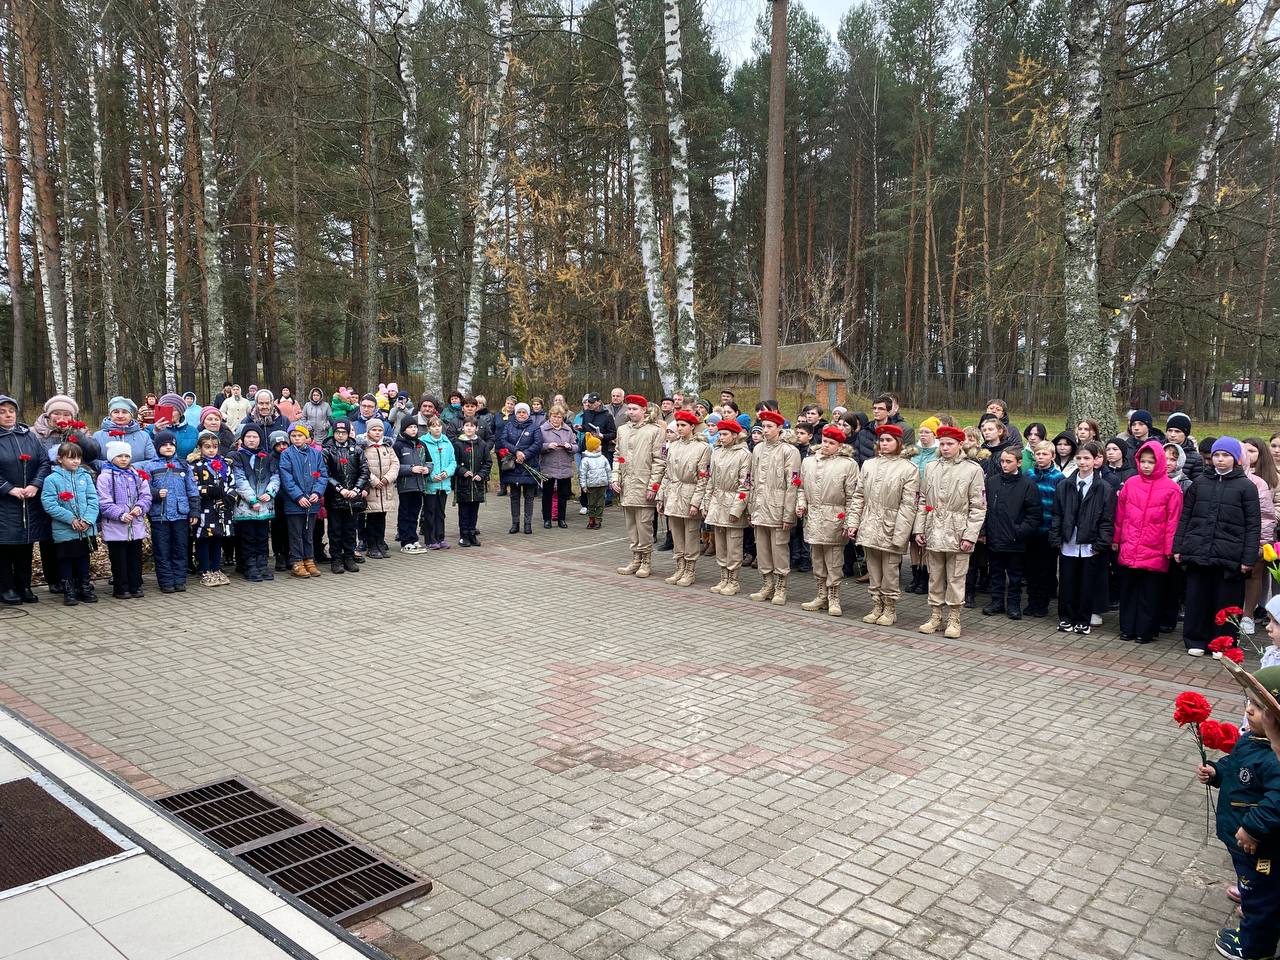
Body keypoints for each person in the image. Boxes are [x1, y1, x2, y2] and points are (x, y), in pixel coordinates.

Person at [1196, 666, 1280, 960]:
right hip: (1243, 840)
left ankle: (1255, 949)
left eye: (1258, 706)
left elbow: (1278, 800)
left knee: (1261, 898)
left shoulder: (1274, 758)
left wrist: (1253, 828)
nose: (1249, 709)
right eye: (1250, 702)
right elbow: (1236, 769)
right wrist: (1217, 772)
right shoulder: (1252, 741)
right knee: (1258, 891)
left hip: (1259, 844)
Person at [1174, 437, 1262, 656]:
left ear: (1236, 459)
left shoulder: (1246, 487)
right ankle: (1196, 638)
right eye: (1216, 455)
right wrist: (1179, 546)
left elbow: (1253, 526)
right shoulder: (1200, 483)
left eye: (1226, 456)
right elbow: (1185, 517)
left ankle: (1223, 642)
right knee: (1197, 598)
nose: (1220, 460)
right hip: (1198, 552)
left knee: (1225, 601)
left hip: (1229, 556)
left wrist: (1248, 558)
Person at [914, 425, 986, 638]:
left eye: (950, 444)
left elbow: (979, 506)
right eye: (942, 444)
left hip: (958, 529)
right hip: (934, 528)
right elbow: (923, 500)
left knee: (956, 576)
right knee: (934, 575)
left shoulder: (972, 470)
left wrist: (970, 535)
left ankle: (954, 617)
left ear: (959, 445)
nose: (945, 448)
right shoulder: (931, 467)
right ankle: (936, 615)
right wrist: (920, 528)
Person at [1112, 440, 1183, 644]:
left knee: (1149, 594)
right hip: (1130, 546)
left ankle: (1145, 630)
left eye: (1151, 462)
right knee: (1128, 591)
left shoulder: (1171, 489)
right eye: (1143, 461)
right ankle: (1127, 628)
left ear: (1159, 462)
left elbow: (1173, 522)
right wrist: (1117, 539)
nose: (1146, 465)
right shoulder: (1131, 483)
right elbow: (1121, 515)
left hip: (1155, 550)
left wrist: (1169, 549)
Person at [842, 423, 913, 622]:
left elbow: (908, 506)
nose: (884, 444)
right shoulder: (869, 465)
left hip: (892, 526)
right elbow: (859, 497)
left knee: (890, 570)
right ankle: (876, 604)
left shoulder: (908, 469)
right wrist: (853, 522)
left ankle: (890, 608)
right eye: (881, 440)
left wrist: (900, 534)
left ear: (898, 443)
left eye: (889, 440)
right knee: (873, 568)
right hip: (870, 524)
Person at [1049, 441, 1116, 635]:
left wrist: (1100, 543)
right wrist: (1056, 538)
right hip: (1069, 542)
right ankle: (1066, 617)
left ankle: (1083, 619)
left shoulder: (1103, 488)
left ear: (1096, 460)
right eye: (1079, 458)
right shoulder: (1065, 485)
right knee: (1068, 582)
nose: (1082, 462)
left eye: (1087, 458)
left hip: (1090, 544)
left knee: (1087, 584)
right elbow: (1057, 514)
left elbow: (1107, 519)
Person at [0, 394, 50, 604]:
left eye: (11, 410)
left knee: (25, 545)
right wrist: (8, 488)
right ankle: (6, 588)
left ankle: (24, 585)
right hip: (5, 502)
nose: (8, 415)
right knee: (5, 546)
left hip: (29, 501)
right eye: (2, 412)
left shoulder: (28, 435)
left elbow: (44, 462)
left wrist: (35, 484)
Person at [981, 446, 1041, 620]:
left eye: (1009, 462)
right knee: (996, 572)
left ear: (1019, 462)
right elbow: (984, 508)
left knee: (1015, 576)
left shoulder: (1027, 485)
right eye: (1002, 461)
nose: (1004, 465)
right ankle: (997, 601)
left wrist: (1019, 531)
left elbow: (1034, 514)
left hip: (1015, 540)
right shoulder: (992, 482)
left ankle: (1014, 604)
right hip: (995, 537)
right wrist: (985, 531)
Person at [748, 410, 801, 605]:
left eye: (770, 427)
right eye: (764, 426)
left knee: (779, 549)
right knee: (762, 549)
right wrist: (751, 508)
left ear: (779, 428)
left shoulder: (789, 451)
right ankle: (767, 584)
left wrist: (789, 514)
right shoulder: (758, 449)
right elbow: (752, 480)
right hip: (760, 507)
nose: (765, 430)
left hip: (778, 508)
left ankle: (781, 587)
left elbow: (793, 484)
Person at [613, 394, 666, 579]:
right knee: (631, 525)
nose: (631, 412)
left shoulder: (654, 430)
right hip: (627, 484)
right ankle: (635, 558)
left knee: (644, 526)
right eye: (629, 409)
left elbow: (659, 461)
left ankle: (646, 560)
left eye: (635, 409)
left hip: (644, 484)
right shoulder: (622, 430)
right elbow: (618, 455)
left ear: (644, 410)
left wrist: (654, 485)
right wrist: (615, 477)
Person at [41, 441, 100, 605]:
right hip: (65, 529)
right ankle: (69, 589)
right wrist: (71, 519)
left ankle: (84, 587)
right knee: (66, 559)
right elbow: (49, 504)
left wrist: (88, 519)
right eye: (71, 458)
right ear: (60, 459)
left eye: (78, 458)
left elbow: (93, 500)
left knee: (83, 558)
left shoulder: (85, 476)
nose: (75, 461)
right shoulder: (51, 479)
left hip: (85, 529)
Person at [658, 410, 711, 587]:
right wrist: (661, 495)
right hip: (673, 492)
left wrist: (696, 502)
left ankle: (690, 569)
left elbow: (704, 478)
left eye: (683, 425)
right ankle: (679, 566)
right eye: (678, 425)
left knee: (690, 534)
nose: (679, 429)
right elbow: (667, 473)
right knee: (676, 532)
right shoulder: (673, 445)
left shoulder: (702, 448)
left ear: (692, 427)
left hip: (690, 492)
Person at [142, 429, 197, 593]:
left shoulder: (183, 466)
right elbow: (144, 489)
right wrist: (156, 494)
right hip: (160, 516)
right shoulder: (150, 466)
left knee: (180, 548)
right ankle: (166, 582)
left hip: (180, 514)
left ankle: (179, 580)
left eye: (171, 445)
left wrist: (194, 511)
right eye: (164, 445)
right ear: (157, 446)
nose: (168, 448)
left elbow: (192, 490)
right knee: (162, 549)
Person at [702, 419, 752, 595]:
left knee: (734, 544)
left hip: (732, 502)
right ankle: (723, 577)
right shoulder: (716, 453)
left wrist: (737, 509)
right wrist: (706, 502)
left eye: (725, 434)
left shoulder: (744, 454)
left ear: (735, 435)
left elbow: (745, 484)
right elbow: (711, 480)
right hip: (717, 502)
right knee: (721, 543)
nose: (721, 438)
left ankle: (733, 580)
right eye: (720, 434)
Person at [97, 441, 152, 599]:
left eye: (127, 456)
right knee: (119, 559)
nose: (123, 459)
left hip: (135, 526)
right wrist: (120, 514)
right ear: (111, 457)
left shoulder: (137, 475)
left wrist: (140, 507)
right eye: (119, 456)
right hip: (116, 526)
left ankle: (135, 585)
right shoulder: (105, 477)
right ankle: (121, 587)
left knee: (135, 557)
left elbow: (146, 496)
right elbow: (104, 501)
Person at [229, 424, 278, 583]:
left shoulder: (267, 457)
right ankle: (249, 565)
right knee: (248, 537)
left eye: (255, 437)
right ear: (242, 439)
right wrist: (252, 499)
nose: (251, 440)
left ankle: (262, 564)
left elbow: (275, 477)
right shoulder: (237, 456)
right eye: (248, 436)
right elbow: (239, 479)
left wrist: (269, 493)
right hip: (246, 506)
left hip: (264, 505)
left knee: (262, 537)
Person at [279, 423, 328, 577]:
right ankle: (297, 561)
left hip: (312, 502)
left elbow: (322, 475)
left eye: (300, 435)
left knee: (308, 533)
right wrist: (298, 496)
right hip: (295, 503)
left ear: (306, 437)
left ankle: (309, 559)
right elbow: (286, 478)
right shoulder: (286, 454)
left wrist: (317, 492)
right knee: (296, 534)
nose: (297, 438)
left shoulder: (316, 454)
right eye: (293, 436)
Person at [1242, 437, 1280, 634]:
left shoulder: (1271, 477)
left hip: (1264, 532)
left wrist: (1270, 517)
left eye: (1252, 451)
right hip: (1238, 531)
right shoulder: (1239, 474)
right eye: (1244, 451)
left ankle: (1250, 613)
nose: (1247, 455)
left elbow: (1276, 505)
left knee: (1256, 572)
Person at [322, 419, 368, 572]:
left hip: (353, 498)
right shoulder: (327, 450)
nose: (340, 435)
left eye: (343, 433)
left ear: (348, 433)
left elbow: (364, 471)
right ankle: (336, 559)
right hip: (335, 497)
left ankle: (349, 556)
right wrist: (339, 488)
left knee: (350, 529)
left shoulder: (357, 450)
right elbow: (325, 474)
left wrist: (356, 489)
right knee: (335, 530)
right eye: (337, 432)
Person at [1025, 440, 1064, 618]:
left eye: (1044, 454)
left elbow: (1059, 506)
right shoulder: (1029, 474)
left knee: (1046, 569)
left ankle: (1042, 604)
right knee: (1031, 568)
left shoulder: (1058, 478)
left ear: (1052, 456)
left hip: (1048, 530)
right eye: (1038, 454)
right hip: (1031, 529)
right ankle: (1032, 601)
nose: (1040, 457)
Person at [190, 431, 235, 586]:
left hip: (221, 508)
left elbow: (231, 483)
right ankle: (204, 570)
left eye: (214, 447)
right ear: (200, 448)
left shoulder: (225, 464)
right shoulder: (195, 465)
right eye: (207, 447)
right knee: (204, 539)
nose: (211, 450)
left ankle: (216, 568)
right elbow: (192, 487)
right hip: (204, 507)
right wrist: (209, 490)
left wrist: (229, 497)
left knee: (218, 538)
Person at [500, 402, 542, 535]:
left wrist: (525, 454)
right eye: (519, 412)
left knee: (529, 496)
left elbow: (538, 443)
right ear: (516, 413)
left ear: (528, 414)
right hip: (513, 466)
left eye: (524, 412)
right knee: (514, 496)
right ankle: (515, 523)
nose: (521, 414)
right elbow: (503, 440)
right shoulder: (509, 425)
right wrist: (517, 451)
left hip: (529, 465)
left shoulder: (535, 427)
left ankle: (528, 524)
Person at [359, 418, 397, 557]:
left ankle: (380, 543)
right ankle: (372, 546)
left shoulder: (387, 446)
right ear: (368, 431)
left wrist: (387, 478)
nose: (377, 432)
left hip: (385, 489)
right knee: (371, 518)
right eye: (374, 430)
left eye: (380, 430)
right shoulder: (363, 448)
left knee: (382, 517)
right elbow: (362, 466)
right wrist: (374, 480)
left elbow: (395, 464)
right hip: (372, 490)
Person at [452, 417, 491, 547]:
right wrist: (462, 471)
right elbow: (453, 463)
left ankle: (472, 533)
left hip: (477, 484)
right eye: (467, 426)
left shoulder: (482, 444)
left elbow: (488, 462)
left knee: (474, 511)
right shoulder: (458, 444)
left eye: (472, 426)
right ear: (463, 428)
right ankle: (464, 535)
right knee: (464, 511)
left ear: (476, 428)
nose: (469, 428)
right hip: (463, 484)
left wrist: (481, 474)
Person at [393, 418, 431, 553]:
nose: (413, 430)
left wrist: (427, 469)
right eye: (410, 427)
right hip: (405, 486)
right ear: (404, 429)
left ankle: (413, 538)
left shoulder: (422, 444)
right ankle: (405, 541)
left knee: (415, 513)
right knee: (405, 513)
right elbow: (395, 466)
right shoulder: (398, 445)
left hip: (419, 485)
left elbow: (429, 461)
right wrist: (411, 469)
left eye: (415, 427)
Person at [92, 396, 157, 469]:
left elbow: (153, 460)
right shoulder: (98, 436)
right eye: (116, 412)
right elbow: (91, 460)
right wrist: (109, 467)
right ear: (110, 415)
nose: (120, 415)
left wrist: (133, 467)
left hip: (137, 478)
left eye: (125, 412)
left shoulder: (144, 437)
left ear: (131, 415)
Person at [539, 405, 577, 529]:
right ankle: (547, 519)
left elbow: (576, 446)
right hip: (549, 465)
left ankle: (561, 519)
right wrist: (547, 446)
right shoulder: (542, 429)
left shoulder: (568, 430)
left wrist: (570, 446)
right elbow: (537, 446)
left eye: (559, 417)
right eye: (554, 416)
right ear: (550, 417)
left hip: (564, 465)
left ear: (563, 418)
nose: (556, 419)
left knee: (563, 494)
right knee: (547, 494)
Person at [421, 416, 456, 548]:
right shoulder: (423, 442)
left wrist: (447, 472)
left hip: (444, 483)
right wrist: (431, 476)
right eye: (433, 426)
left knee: (441, 512)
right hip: (431, 484)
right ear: (429, 428)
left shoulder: (447, 443)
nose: (437, 428)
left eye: (439, 425)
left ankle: (441, 537)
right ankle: (430, 539)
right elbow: (422, 461)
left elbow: (453, 461)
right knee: (430, 512)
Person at [578, 433, 611, 530]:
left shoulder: (603, 458)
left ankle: (598, 519)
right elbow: (582, 474)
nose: (600, 446)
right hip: (591, 485)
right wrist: (583, 486)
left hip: (602, 484)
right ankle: (591, 519)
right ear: (593, 447)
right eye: (598, 445)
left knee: (600, 503)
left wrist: (610, 481)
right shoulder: (586, 460)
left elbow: (608, 470)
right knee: (591, 503)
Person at [1164, 413, 1204, 481]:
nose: (1172, 435)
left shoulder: (1195, 458)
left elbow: (1197, 484)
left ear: (1185, 434)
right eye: (1170, 430)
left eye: (1177, 431)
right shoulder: (1158, 450)